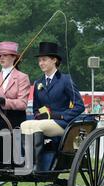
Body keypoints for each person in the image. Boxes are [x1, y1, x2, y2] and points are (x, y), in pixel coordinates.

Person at [20, 42, 84, 171]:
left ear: (54, 60)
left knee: (37, 126)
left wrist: (61, 115)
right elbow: (36, 108)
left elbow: (79, 106)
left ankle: (36, 166)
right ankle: (28, 162)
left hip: (62, 123)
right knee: (24, 125)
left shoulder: (65, 80)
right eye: (39, 60)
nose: (41, 63)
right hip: (45, 122)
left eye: (44, 60)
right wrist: (39, 115)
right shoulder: (39, 82)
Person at [0, 41, 31, 131]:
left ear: (14, 57)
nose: (2, 58)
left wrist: (4, 102)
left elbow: (22, 103)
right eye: (0, 55)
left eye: (5, 55)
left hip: (15, 117)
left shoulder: (22, 77)